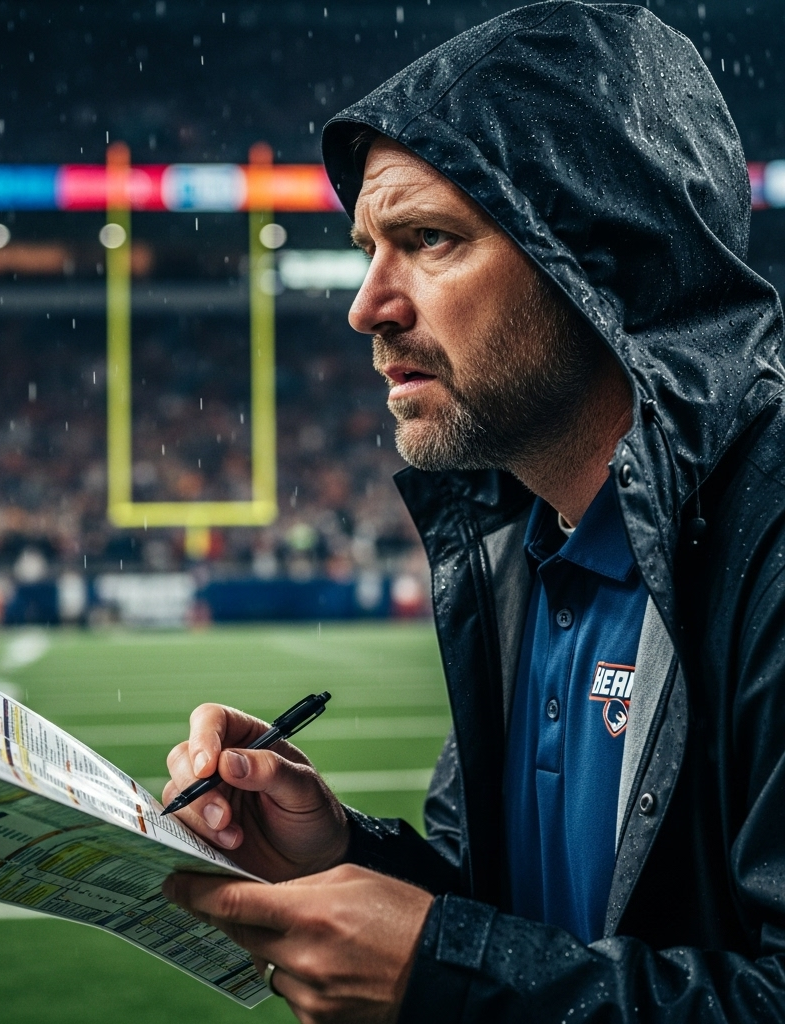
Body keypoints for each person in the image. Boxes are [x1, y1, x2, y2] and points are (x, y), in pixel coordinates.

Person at [161, 3, 785, 1020]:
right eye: (368, 247)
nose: (367, 304)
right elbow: (522, 922)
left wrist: (439, 974)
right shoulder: (516, 551)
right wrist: (336, 849)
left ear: (597, 259)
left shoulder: (768, 546)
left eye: (429, 240)